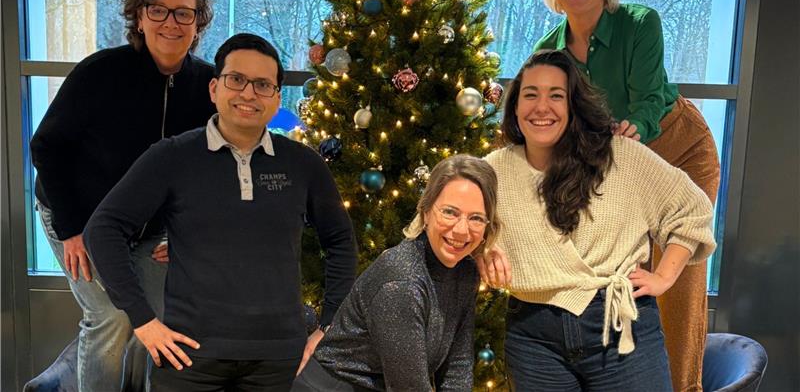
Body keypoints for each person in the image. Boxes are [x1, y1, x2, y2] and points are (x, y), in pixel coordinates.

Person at [84, 33, 358, 391]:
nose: (248, 93)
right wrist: (143, 320)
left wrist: (329, 325)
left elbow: (339, 240)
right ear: (214, 88)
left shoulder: (303, 164)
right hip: (188, 356)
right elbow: (103, 230)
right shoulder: (171, 157)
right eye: (237, 80)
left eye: (263, 85)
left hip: (279, 359)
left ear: (277, 99)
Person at [533, 0, 721, 392]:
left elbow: (649, 98)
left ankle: (681, 386)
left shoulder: (640, 23)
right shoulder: (547, 52)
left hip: (675, 147)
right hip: (613, 163)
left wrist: (632, 127)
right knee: (619, 275)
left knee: (672, 275)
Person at [480, 50, 715, 391]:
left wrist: (665, 276)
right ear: (515, 107)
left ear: (574, 105)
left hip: (620, 326)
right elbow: (450, 223)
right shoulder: (492, 170)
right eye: (530, 95)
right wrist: (483, 251)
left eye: (556, 96)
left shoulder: (621, 157)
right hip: (534, 336)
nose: (541, 107)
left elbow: (692, 207)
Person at [30, 0, 216, 392]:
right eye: (158, 10)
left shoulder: (207, 86)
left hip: (148, 226)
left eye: (183, 13)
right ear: (139, 16)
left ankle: (58, 381)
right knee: (112, 315)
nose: (171, 23)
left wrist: (185, 230)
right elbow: (47, 147)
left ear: (197, 23)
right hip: (79, 215)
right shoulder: (101, 73)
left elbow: (209, 169)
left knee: (158, 311)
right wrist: (71, 229)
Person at [292, 154, 500, 392]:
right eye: (450, 212)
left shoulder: (466, 272)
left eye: (476, 218)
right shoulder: (402, 280)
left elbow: (457, 367)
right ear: (426, 211)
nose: (462, 230)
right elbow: (409, 388)